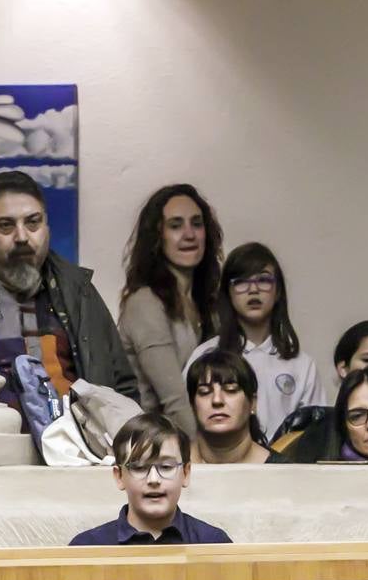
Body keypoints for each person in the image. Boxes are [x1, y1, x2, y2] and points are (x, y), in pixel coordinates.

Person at [0, 171, 138, 412]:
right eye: (5, 225)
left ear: (47, 227)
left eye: (33, 222)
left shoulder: (78, 291)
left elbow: (123, 388)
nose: (22, 236)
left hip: (78, 442)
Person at [182, 242, 325, 438]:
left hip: (285, 466)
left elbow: (316, 432)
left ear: (278, 292)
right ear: (228, 293)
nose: (253, 290)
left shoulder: (301, 364)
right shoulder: (206, 356)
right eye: (241, 282)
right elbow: (186, 421)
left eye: (264, 280)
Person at [117, 184, 223, 439]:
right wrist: (207, 461)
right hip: (153, 449)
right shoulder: (145, 303)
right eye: (176, 225)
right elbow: (174, 402)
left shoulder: (208, 303)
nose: (189, 234)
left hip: (191, 445)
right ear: (157, 237)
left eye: (196, 224)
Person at [69, 413, 232, 545]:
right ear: (119, 476)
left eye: (166, 467)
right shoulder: (87, 547)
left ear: (186, 473)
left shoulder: (213, 544)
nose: (153, 479)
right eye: (139, 468)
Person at [186, 351, 270, 465]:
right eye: (204, 392)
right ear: (192, 405)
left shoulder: (285, 473)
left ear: (253, 403)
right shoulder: (168, 470)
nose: (217, 400)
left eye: (231, 390)